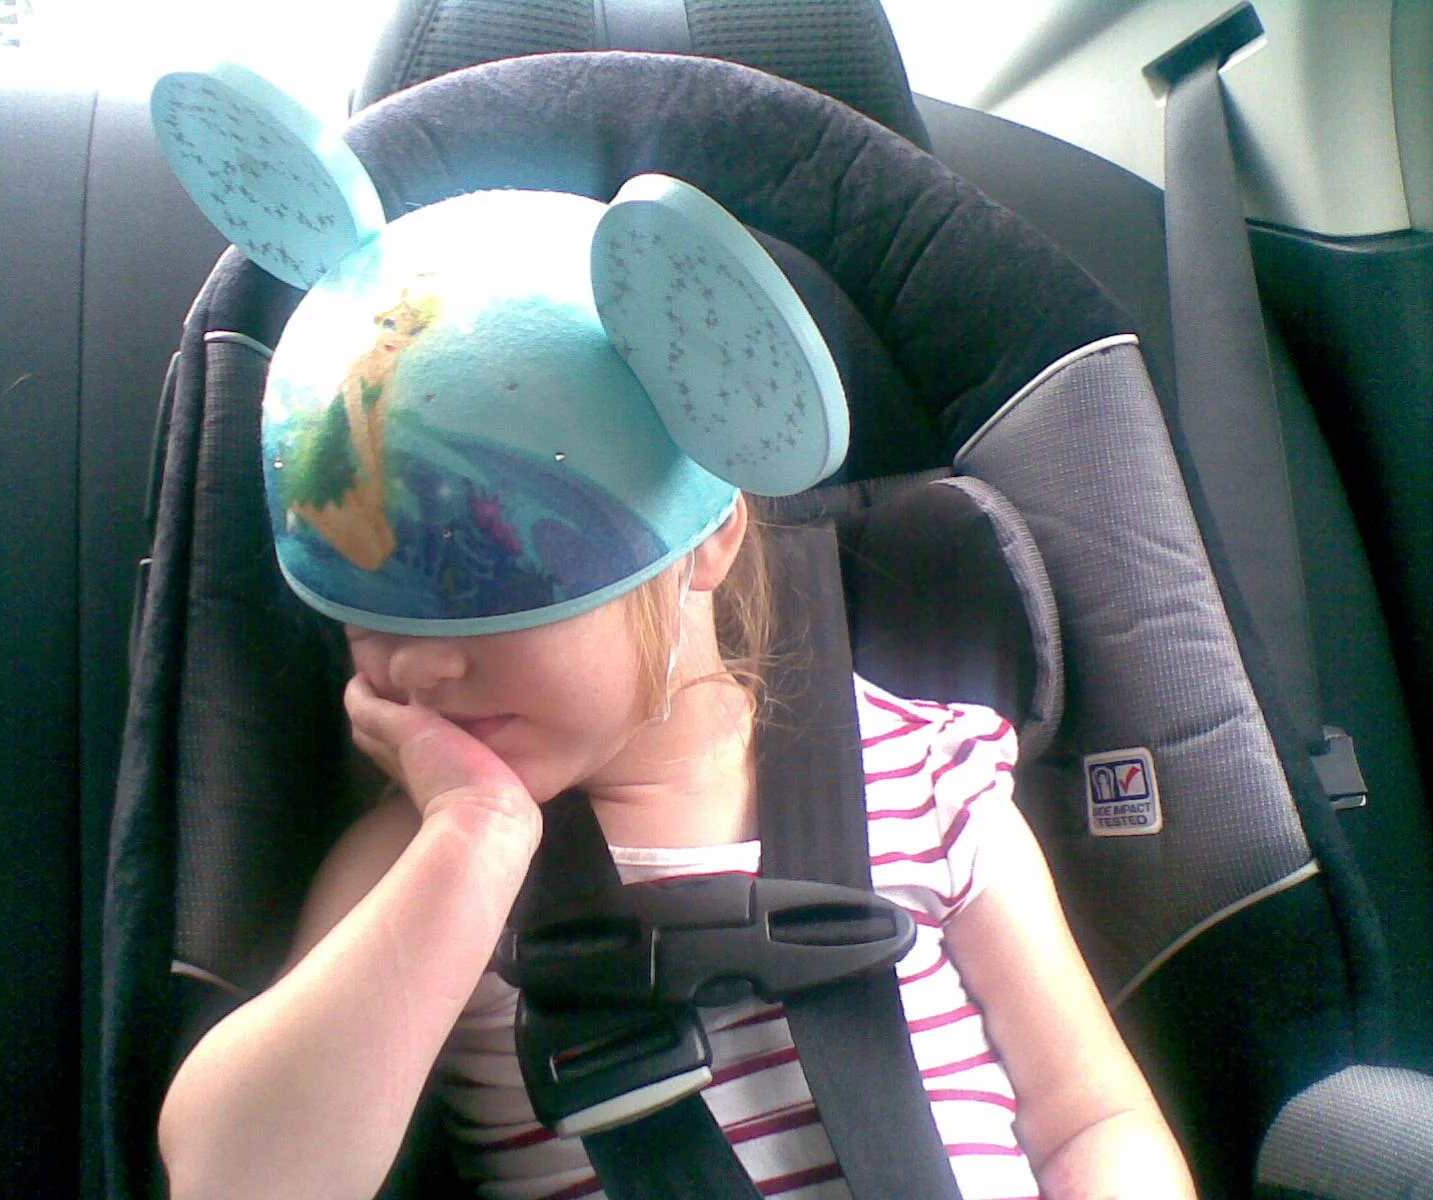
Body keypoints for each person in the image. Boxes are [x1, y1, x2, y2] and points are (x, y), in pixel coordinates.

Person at [148, 160, 1197, 1200]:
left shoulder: (932, 777)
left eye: (483, 587)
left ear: (707, 543)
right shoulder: (415, 864)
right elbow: (235, 1183)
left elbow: (1089, 1116)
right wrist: (473, 840)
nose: (415, 662)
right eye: (362, 613)